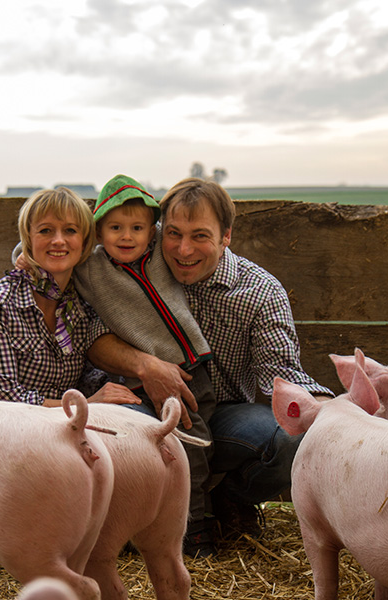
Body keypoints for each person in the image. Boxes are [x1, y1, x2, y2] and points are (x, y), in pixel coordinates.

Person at [156, 177, 334, 551]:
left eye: (200, 236)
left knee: (292, 436)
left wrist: (333, 413)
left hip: (221, 416)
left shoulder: (259, 291)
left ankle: (232, 500)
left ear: (226, 236)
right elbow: (72, 247)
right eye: (173, 233)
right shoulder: (143, 269)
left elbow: (280, 377)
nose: (183, 249)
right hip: (148, 411)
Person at [68, 174, 218, 556]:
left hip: (191, 370)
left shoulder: (162, 258)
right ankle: (179, 531)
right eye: (115, 227)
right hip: (141, 380)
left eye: (137, 227)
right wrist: (19, 252)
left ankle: (194, 521)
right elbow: (48, 245)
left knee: (197, 443)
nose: (127, 236)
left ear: (151, 231)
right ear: (98, 232)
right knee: (174, 449)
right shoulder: (91, 267)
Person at [0, 186, 197, 414]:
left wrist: (125, 386)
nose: (59, 241)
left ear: (85, 242)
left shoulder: (81, 305)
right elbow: (3, 398)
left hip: (59, 429)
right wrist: (87, 403)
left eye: (70, 231)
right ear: (28, 240)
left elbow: (88, 372)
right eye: (45, 231)